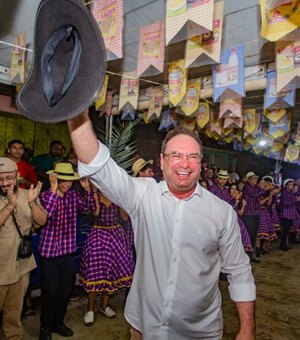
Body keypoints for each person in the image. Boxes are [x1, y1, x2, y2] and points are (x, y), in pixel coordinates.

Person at [67, 111, 256, 340]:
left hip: (199, 332)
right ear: (162, 160)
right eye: (175, 155)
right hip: (146, 325)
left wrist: (247, 327)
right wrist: (75, 113)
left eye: (192, 156)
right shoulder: (142, 195)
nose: (184, 163)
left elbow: (239, 270)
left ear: (201, 163)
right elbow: (97, 165)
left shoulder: (222, 212)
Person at [38, 162, 96, 340]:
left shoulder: (73, 196)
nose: (67, 184)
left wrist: (88, 191)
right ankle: (45, 328)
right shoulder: (46, 196)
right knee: (51, 292)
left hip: (68, 252)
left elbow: (89, 209)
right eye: (63, 180)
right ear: (55, 179)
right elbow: (46, 214)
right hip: (50, 254)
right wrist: (55, 190)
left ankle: (58, 323)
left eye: (69, 181)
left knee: (65, 291)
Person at [0, 157, 47, 340]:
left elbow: (41, 221)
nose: (4, 183)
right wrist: (10, 205)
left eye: (9, 178)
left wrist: (33, 203)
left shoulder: (27, 194)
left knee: (14, 314)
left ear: (17, 176)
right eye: (0, 179)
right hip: (1, 267)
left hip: (21, 267)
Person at [80, 190, 134, 326]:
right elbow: (95, 214)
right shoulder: (95, 196)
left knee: (112, 274)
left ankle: (104, 306)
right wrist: (93, 197)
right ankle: (90, 309)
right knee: (94, 274)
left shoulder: (116, 196)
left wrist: (121, 200)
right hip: (99, 234)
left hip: (116, 234)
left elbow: (125, 218)